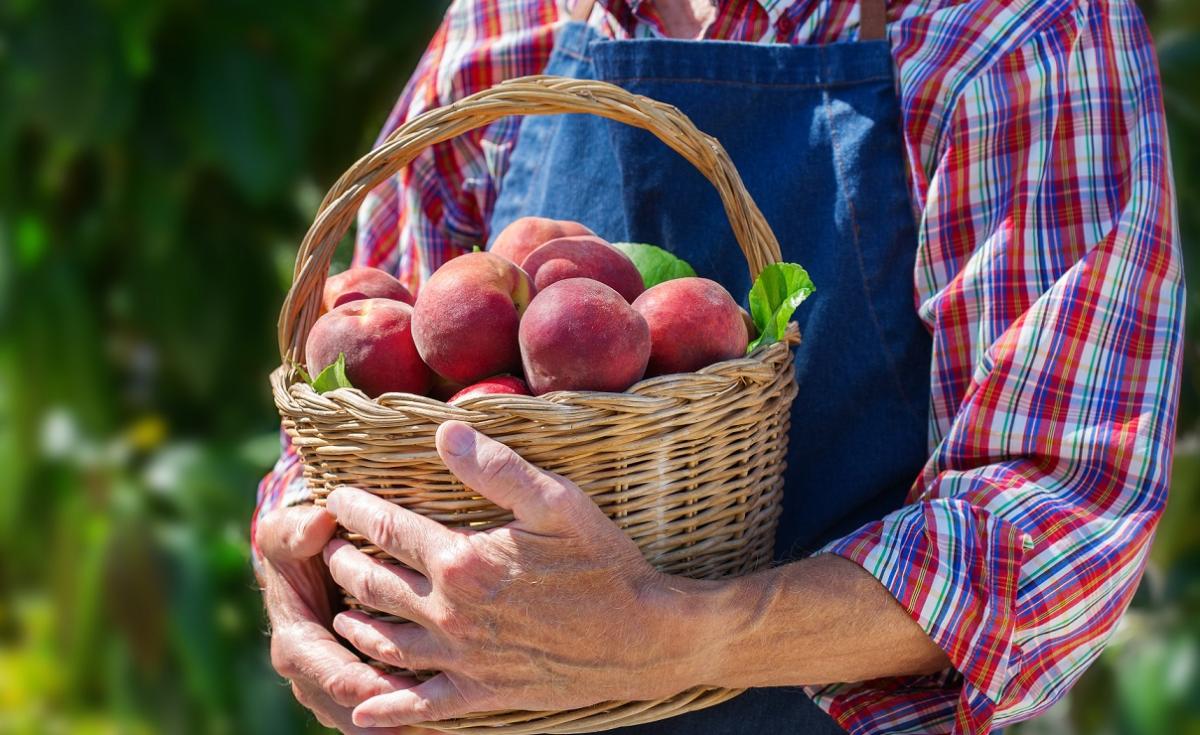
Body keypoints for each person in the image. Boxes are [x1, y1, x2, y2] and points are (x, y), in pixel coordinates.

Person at [252, 0, 1184, 733]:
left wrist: (678, 631)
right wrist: (300, 568)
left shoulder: (1011, 33)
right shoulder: (506, 22)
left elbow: (1059, 509)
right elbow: (351, 372)